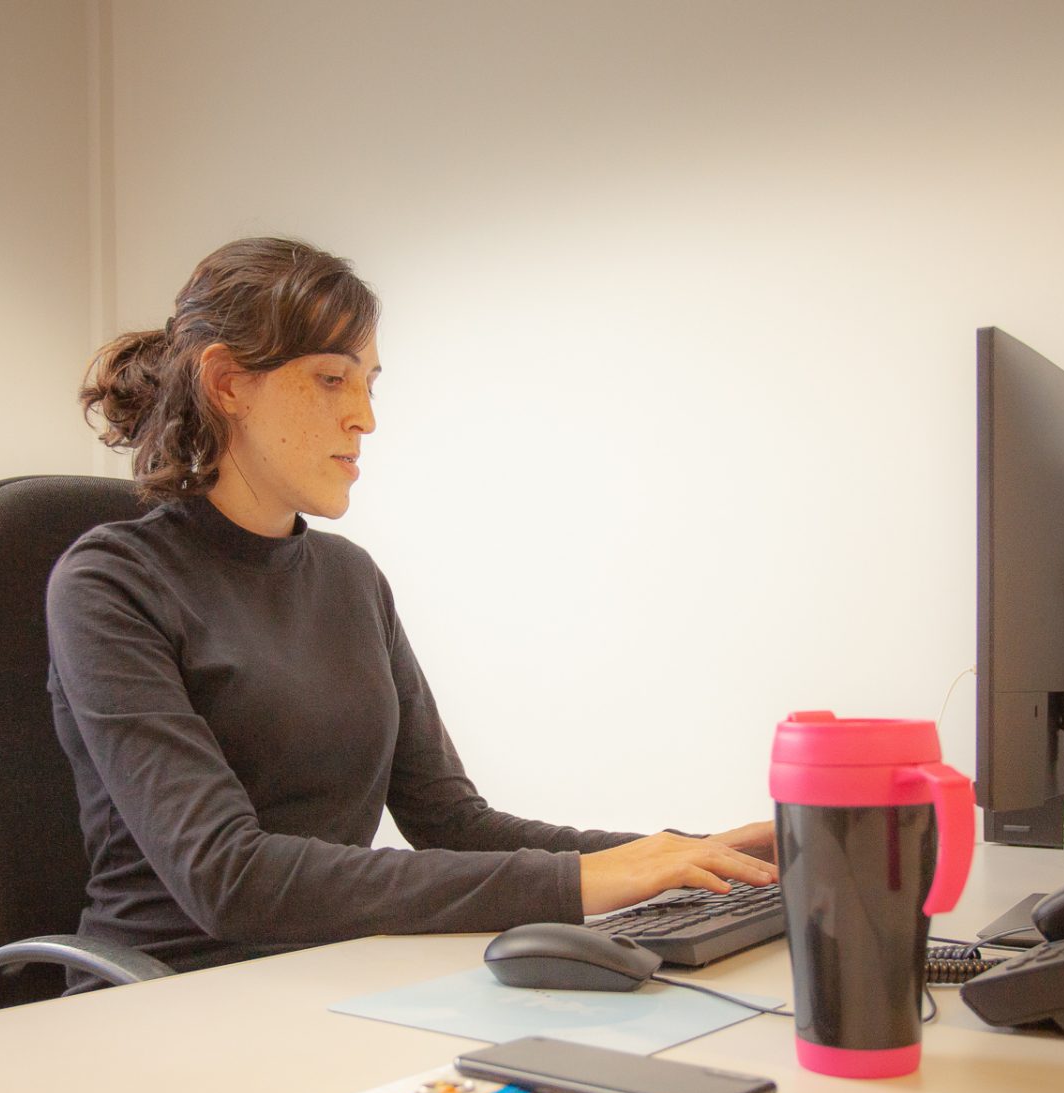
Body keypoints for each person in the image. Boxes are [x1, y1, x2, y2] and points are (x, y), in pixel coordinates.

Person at [50, 237, 773, 985]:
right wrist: (580, 885)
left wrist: (683, 856)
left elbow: (452, 824)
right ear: (228, 382)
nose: (364, 417)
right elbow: (230, 877)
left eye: (370, 383)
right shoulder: (111, 585)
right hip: (160, 998)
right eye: (332, 379)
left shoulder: (349, 578)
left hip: (324, 980)